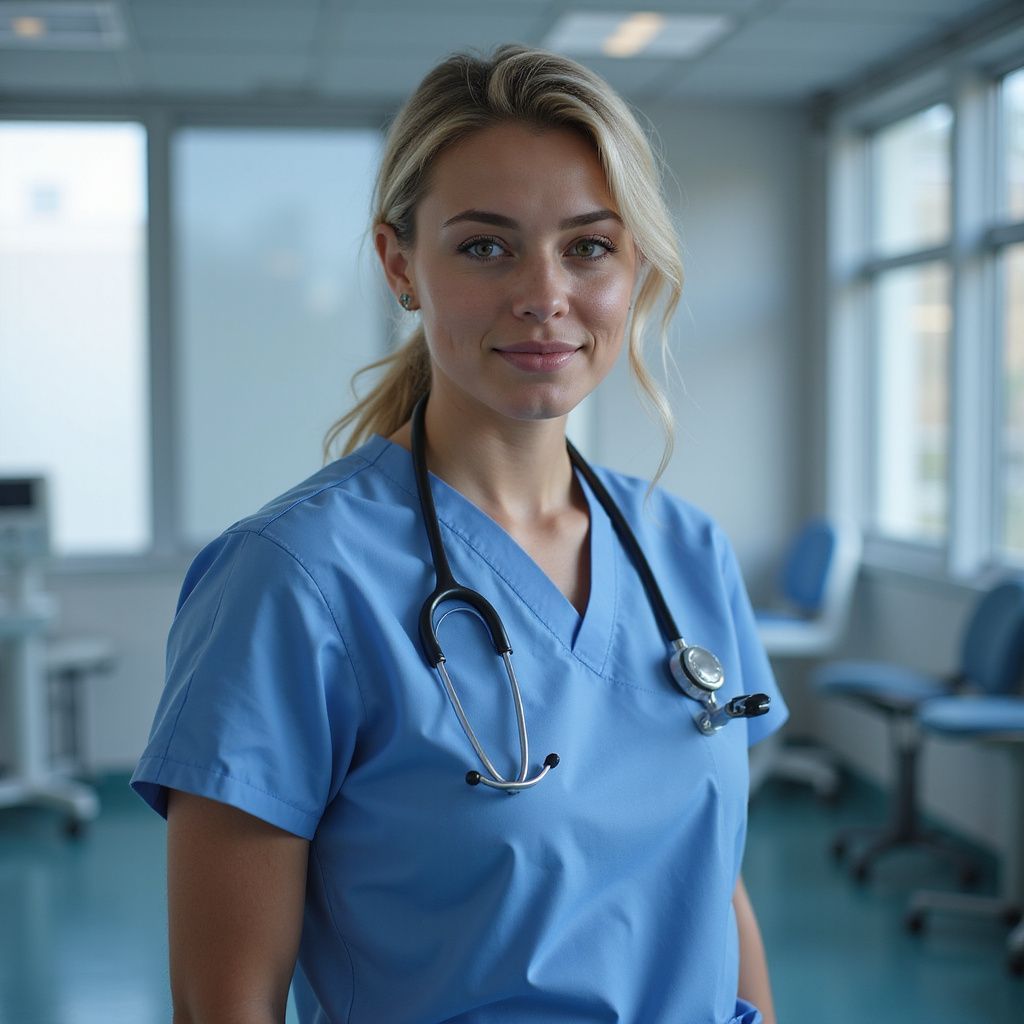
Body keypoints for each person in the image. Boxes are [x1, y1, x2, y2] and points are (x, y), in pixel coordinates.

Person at [131, 44, 787, 1024]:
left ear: (635, 267)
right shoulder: (293, 581)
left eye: (588, 246)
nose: (543, 293)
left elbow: (712, 888)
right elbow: (226, 1004)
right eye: (486, 246)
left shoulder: (683, 551)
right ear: (401, 264)